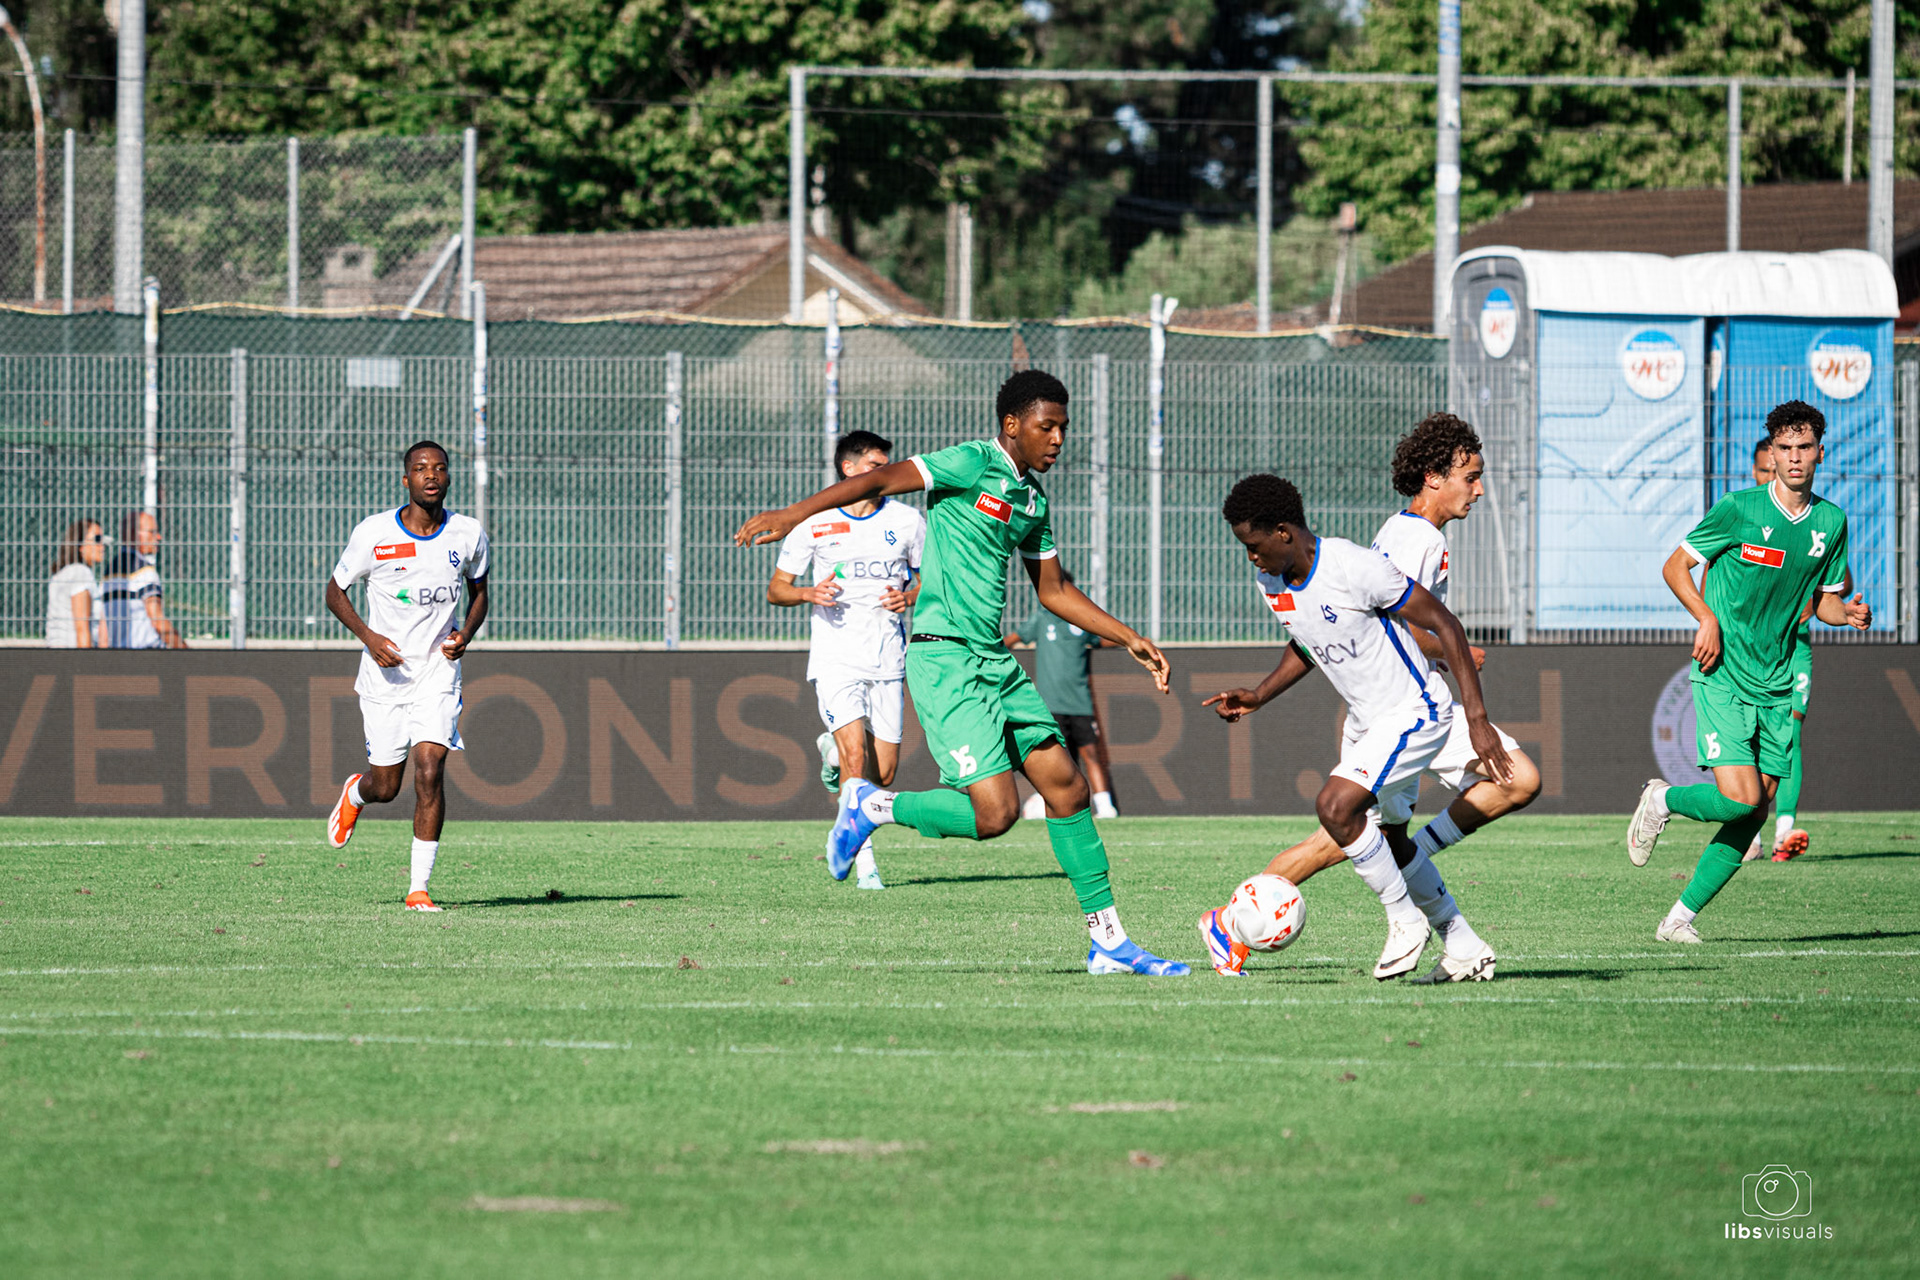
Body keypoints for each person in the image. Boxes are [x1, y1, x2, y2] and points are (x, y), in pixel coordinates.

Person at [736, 370, 1189, 976]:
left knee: (1068, 789)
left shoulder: (1032, 501)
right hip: (945, 657)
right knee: (995, 815)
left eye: (1064, 428)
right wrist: (796, 514)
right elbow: (878, 479)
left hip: (995, 661)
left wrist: (1128, 636)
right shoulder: (970, 462)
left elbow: (1053, 590)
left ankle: (1108, 943)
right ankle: (872, 806)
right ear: (1012, 425)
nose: (1058, 438)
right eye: (1047, 426)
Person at [1197, 415, 1541, 982]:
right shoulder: (1275, 579)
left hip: (1414, 710)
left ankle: (1401, 919)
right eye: (1472, 477)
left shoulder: (1352, 563)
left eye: (1254, 547)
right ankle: (1460, 943)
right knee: (1379, 838)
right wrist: (1260, 694)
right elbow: (1312, 640)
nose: (1251, 558)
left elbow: (1437, 622)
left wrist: (1475, 714)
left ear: (1282, 532)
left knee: (1340, 814)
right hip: (1372, 719)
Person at [1627, 401, 1869, 943]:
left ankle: (1678, 920)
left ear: (1821, 453)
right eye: (1785, 448)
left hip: (1777, 681)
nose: (1794, 457)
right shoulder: (1738, 509)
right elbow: (1675, 566)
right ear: (1771, 455)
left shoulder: (1831, 522)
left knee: (1753, 812)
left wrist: (1847, 614)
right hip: (1723, 673)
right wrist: (1706, 617)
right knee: (1742, 799)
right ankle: (1662, 798)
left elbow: (1823, 601)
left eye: (1804, 447)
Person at [323, 440, 490, 913]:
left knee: (431, 770)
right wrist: (369, 637)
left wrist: (466, 634)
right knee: (386, 786)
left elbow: (480, 593)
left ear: (449, 477)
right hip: (386, 677)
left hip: (438, 670)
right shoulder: (373, 533)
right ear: (406, 479)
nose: (431, 475)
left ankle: (418, 889)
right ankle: (356, 793)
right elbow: (335, 592)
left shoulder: (468, 533)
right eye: (420, 468)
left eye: (439, 468)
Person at [769, 429, 925, 891]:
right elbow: (777, 590)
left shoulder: (909, 521)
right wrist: (807, 593)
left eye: (888, 466)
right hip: (836, 658)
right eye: (876, 466)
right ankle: (866, 865)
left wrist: (909, 597)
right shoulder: (814, 522)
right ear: (849, 469)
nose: (886, 473)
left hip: (888, 659)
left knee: (885, 772)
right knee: (857, 760)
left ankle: (831, 751)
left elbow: (929, 582)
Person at [1734, 437, 1821, 864]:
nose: (1775, 473)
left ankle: (1785, 831)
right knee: (1747, 739)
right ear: (1757, 470)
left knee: (1790, 729)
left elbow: (1837, 580)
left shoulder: (1816, 520)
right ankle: (1748, 833)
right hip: (1748, 650)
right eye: (1766, 469)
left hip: (1793, 647)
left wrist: (1817, 599)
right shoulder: (1743, 514)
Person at [1004, 571, 1121, 821]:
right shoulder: (1041, 618)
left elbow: (1102, 639)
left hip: (1080, 702)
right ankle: (1054, 804)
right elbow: (1011, 640)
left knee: (1091, 754)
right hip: (1050, 704)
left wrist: (1130, 640)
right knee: (1056, 759)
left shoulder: (1081, 620)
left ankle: (1106, 807)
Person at [103, 510, 188, 649]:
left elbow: (104, 631)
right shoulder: (145, 571)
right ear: (134, 534)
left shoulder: (108, 574)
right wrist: (187, 652)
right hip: (148, 654)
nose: (159, 537)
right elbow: (158, 621)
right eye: (152, 532)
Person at [46, 519, 108, 648]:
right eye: (97, 539)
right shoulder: (80, 573)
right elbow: (82, 630)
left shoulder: (65, 573)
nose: (102, 546)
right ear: (80, 545)